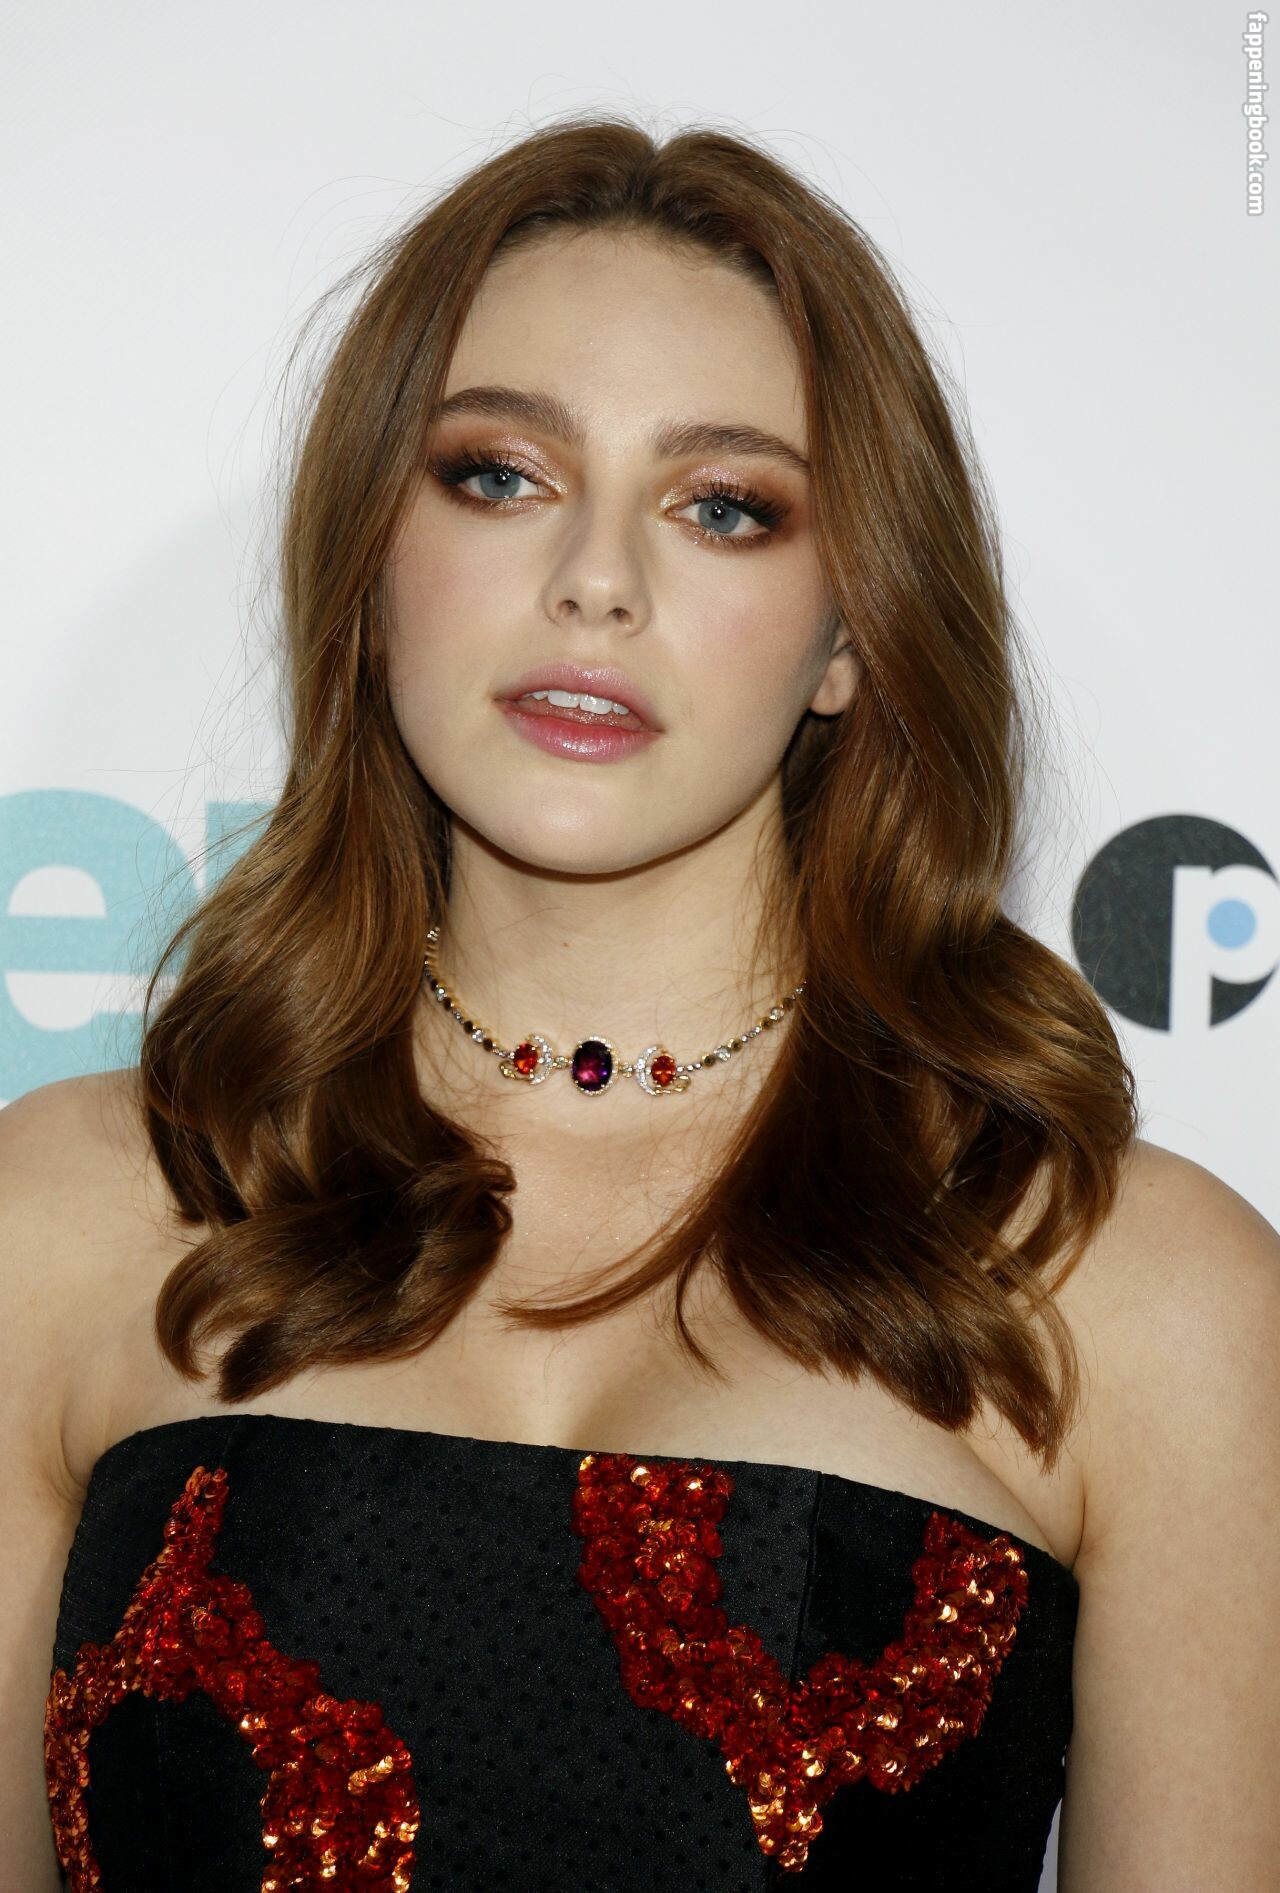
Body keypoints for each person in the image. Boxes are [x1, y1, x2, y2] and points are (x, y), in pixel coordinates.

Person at [4, 112, 1278, 1892]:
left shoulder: (1134, 1296)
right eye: (499, 475)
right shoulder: (62, 1220)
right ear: (370, 561)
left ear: (852, 633)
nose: (596, 579)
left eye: (724, 506)